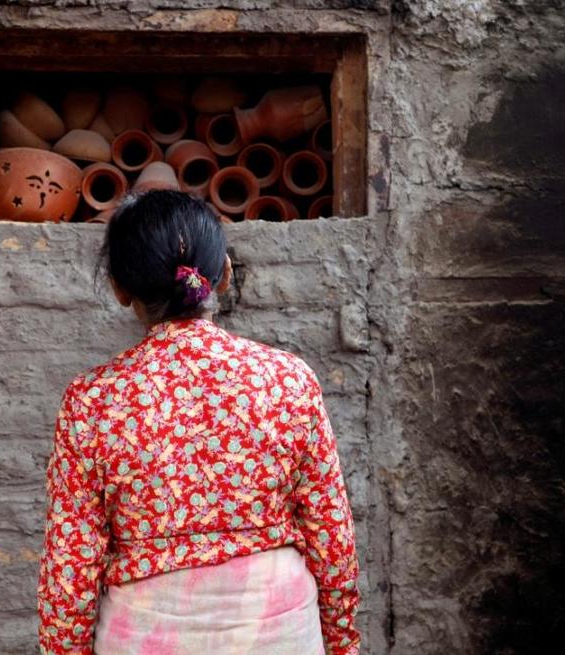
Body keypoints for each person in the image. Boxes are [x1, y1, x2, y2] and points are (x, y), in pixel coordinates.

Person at [37, 190, 361, 655]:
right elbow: (332, 538)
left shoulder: (92, 402)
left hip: (147, 640)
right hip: (277, 633)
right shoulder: (288, 380)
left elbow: (70, 566)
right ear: (223, 273)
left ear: (120, 289)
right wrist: (343, 644)